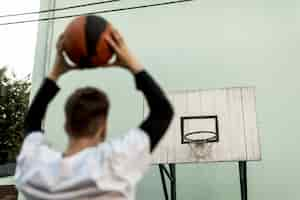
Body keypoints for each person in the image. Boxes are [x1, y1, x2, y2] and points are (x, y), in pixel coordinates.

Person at [14, 27, 174, 200]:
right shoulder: (115, 164)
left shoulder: (34, 170)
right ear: (103, 128)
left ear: (66, 125)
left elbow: (31, 122)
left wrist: (56, 71)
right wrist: (130, 62)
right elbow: (162, 111)